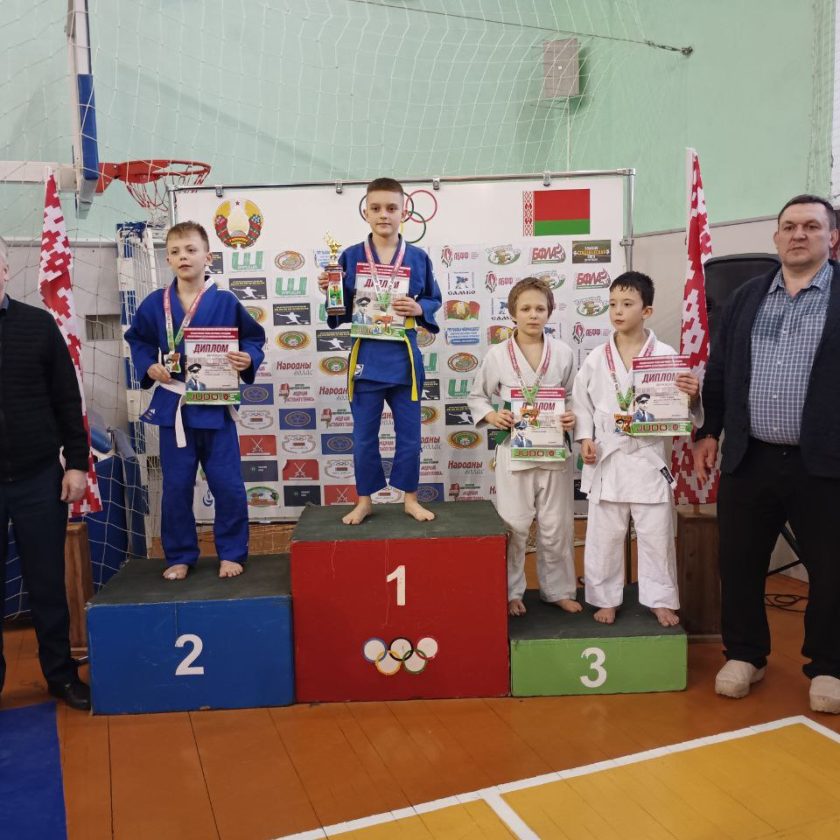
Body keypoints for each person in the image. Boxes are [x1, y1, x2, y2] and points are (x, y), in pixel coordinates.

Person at [694, 194, 840, 714]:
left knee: (832, 569)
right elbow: (719, 370)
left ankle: (829, 665)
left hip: (824, 462)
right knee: (739, 562)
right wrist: (709, 431)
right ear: (776, 237)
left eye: (811, 226)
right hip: (749, 456)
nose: (799, 234)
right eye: (789, 226)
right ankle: (745, 655)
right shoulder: (747, 297)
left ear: (832, 237)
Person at [125, 221, 265, 580]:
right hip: (175, 407)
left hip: (216, 406)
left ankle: (232, 552)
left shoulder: (225, 301)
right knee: (176, 487)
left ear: (208, 256)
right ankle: (180, 554)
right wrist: (149, 364)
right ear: (168, 259)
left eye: (190, 250)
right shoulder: (155, 303)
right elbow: (138, 340)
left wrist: (248, 358)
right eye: (175, 251)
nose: (183, 257)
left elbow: (253, 339)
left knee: (227, 485)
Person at [575, 272, 701, 627]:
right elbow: (581, 403)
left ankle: (660, 599)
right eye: (613, 304)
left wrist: (692, 396)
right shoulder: (596, 357)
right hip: (608, 456)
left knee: (656, 534)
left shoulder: (665, 355)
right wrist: (585, 438)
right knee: (604, 536)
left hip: (647, 458)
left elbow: (680, 410)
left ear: (647, 311)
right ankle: (605, 598)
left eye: (627, 304)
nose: (618, 311)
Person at [318, 177, 442, 525]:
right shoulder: (350, 256)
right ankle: (364, 500)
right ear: (366, 212)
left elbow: (433, 298)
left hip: (404, 360)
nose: (383, 214)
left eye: (391, 208)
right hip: (367, 359)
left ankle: (410, 499)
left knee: (410, 437)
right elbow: (339, 309)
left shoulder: (418, 257)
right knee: (363, 438)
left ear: (404, 213)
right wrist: (330, 290)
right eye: (376, 208)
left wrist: (419, 309)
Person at [0, 237, 91, 710]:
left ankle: (60, 676)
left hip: (38, 478)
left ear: (5, 270)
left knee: (48, 585)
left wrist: (76, 463)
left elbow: (67, 400)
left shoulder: (38, 325)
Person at [468, 277, 580, 617]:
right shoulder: (497, 355)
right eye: (526, 308)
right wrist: (492, 415)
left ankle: (558, 590)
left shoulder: (563, 353)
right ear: (512, 313)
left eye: (540, 309)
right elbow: (477, 396)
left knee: (557, 526)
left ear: (550, 312)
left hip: (554, 452)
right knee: (515, 525)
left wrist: (571, 415)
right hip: (514, 452)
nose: (533, 315)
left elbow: (573, 396)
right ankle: (511, 591)